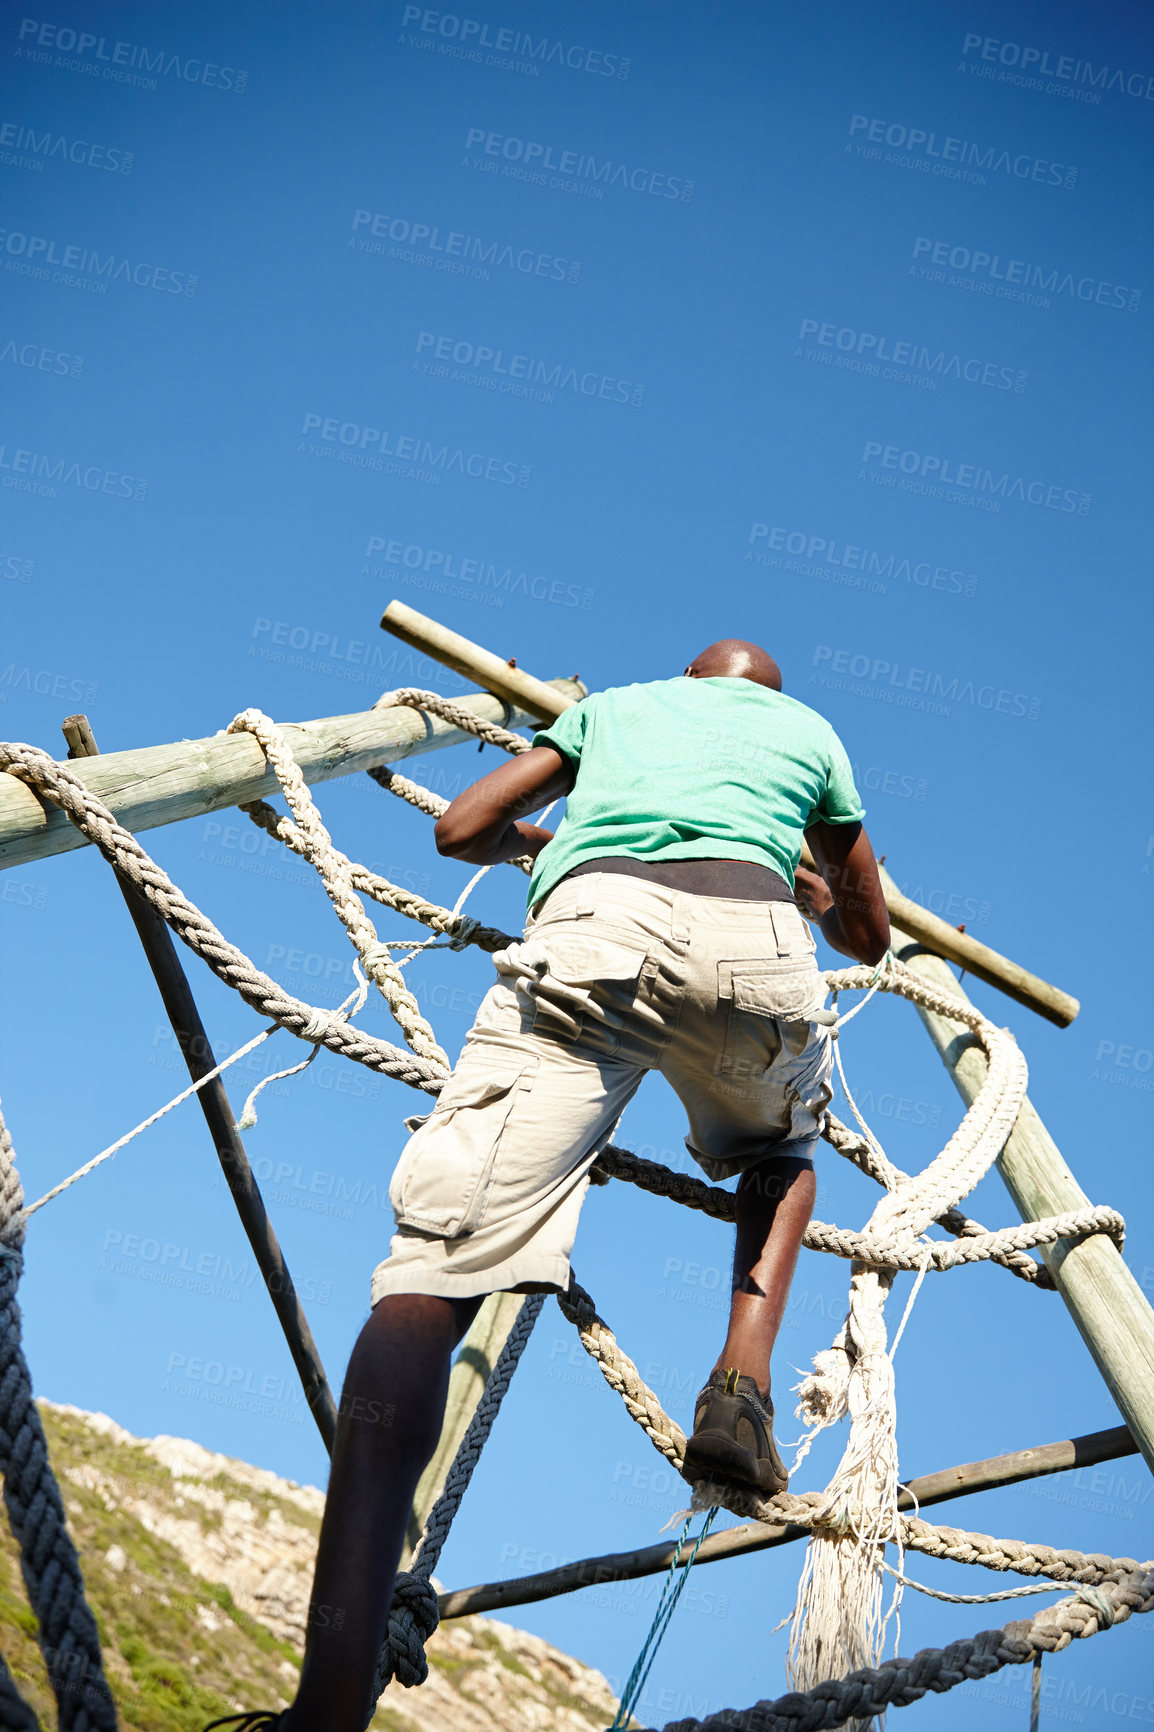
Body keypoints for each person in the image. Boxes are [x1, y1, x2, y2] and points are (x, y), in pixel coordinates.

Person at [207, 638, 890, 1732]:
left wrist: (548, 839)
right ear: (766, 696)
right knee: (784, 1152)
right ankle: (739, 1384)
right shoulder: (808, 735)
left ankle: (322, 1710)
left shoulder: (612, 709)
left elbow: (456, 829)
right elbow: (869, 929)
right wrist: (813, 894)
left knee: (426, 1280)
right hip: (751, 940)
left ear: (686, 678)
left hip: (591, 935)